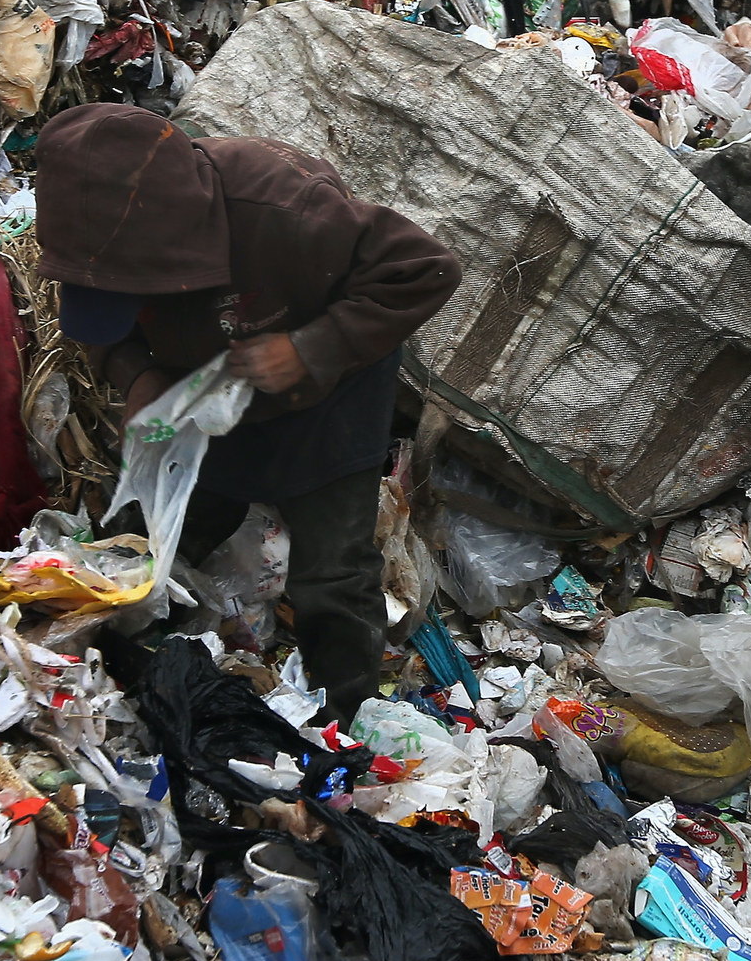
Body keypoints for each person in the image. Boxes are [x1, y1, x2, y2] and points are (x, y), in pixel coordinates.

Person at [33, 103, 462, 723]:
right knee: (153, 535)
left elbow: (426, 270)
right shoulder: (99, 233)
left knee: (330, 571)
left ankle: (346, 719)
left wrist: (309, 349)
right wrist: (140, 376)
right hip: (208, 385)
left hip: (328, 396)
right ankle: (109, 666)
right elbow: (101, 325)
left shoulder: (289, 210)